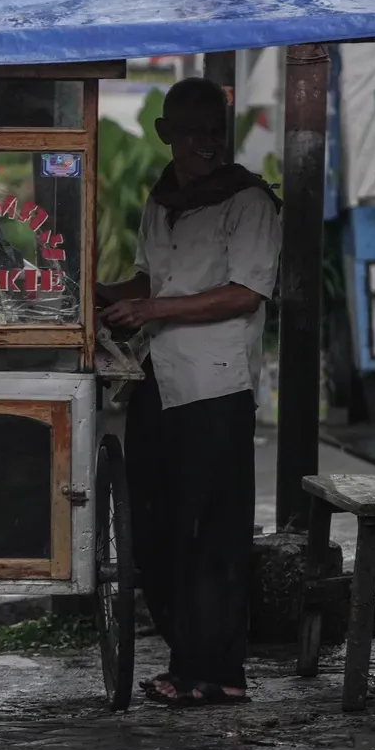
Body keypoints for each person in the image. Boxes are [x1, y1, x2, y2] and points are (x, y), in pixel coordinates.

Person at [96, 77, 282, 707]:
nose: (205, 143)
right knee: (156, 528)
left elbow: (245, 292)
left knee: (213, 533)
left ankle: (219, 672)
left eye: (214, 131)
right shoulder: (162, 197)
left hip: (216, 385)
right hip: (160, 379)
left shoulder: (248, 200)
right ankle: (185, 659)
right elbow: (152, 278)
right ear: (165, 133)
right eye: (193, 130)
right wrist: (101, 295)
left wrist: (152, 307)